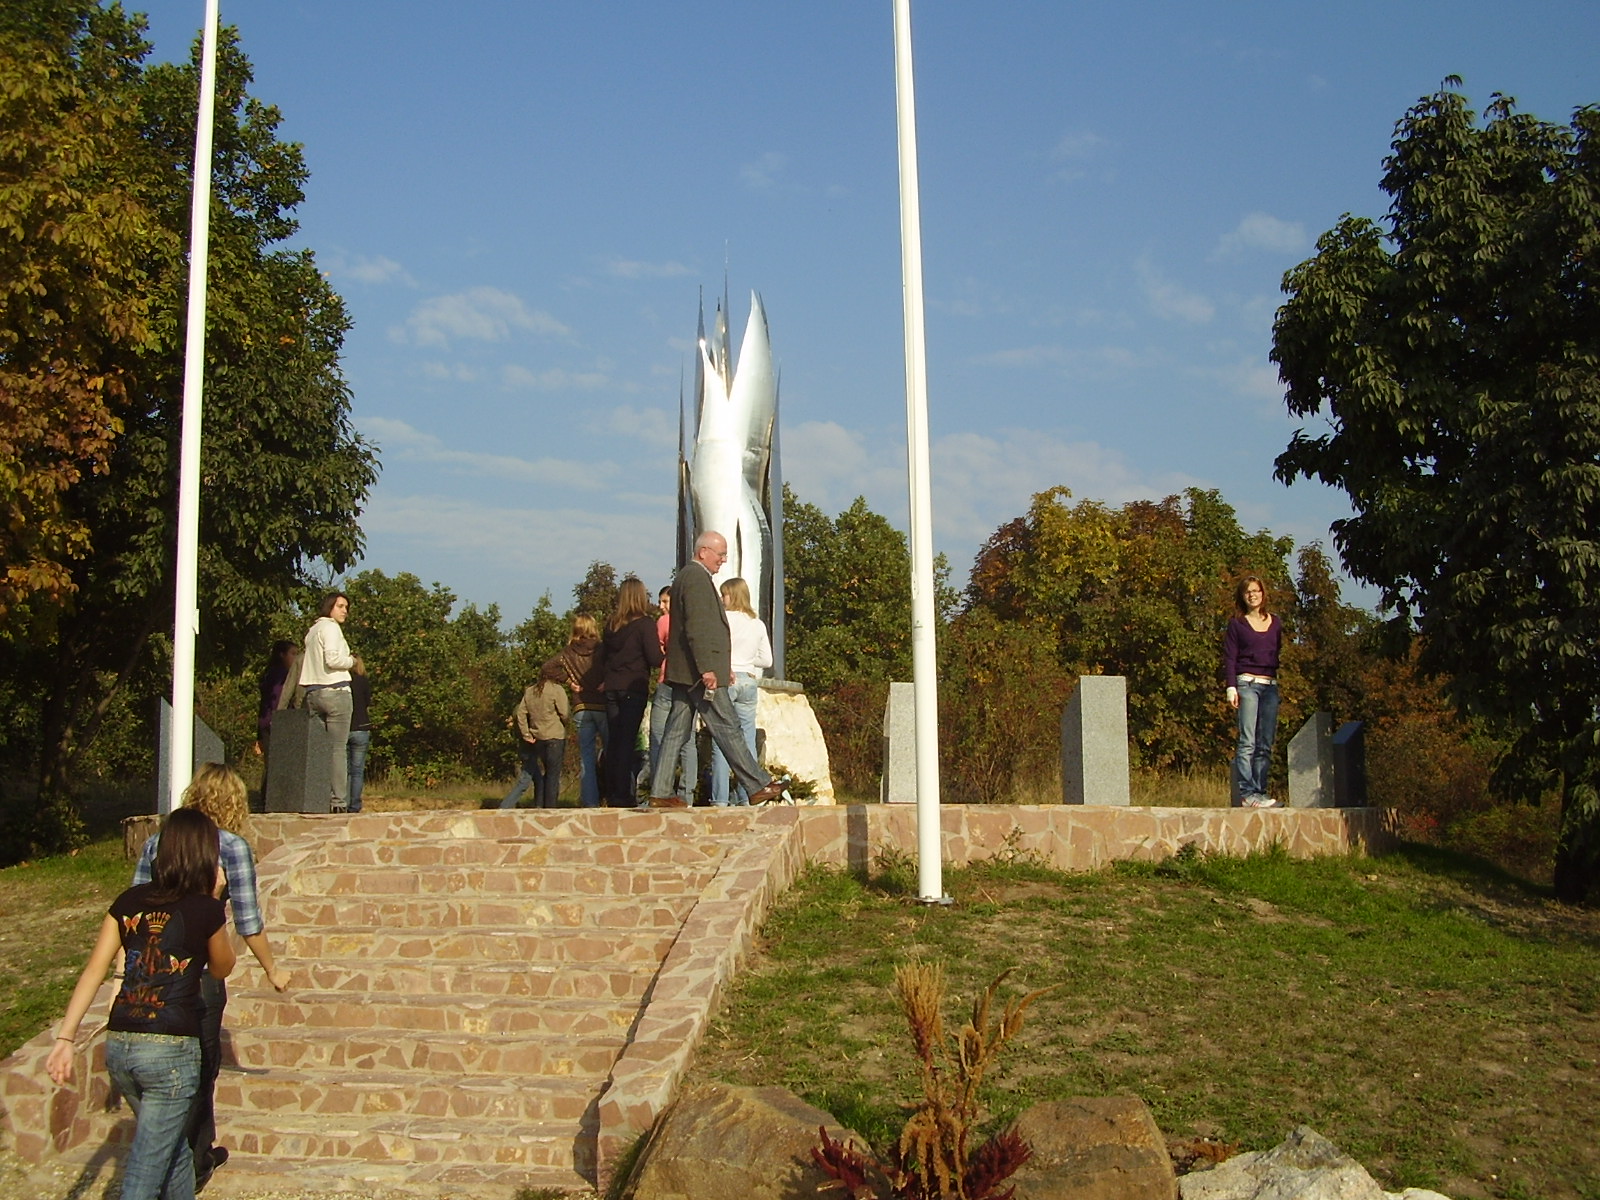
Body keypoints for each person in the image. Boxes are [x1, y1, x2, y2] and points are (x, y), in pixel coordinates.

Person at [48, 808, 236, 1200]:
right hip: (170, 1051)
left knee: (174, 1152)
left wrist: (66, 1038)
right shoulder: (205, 908)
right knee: (144, 1174)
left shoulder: (128, 901)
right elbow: (222, 968)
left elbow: (93, 971)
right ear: (206, 854)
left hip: (122, 1045)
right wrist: (215, 901)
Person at [132, 764, 292, 1190]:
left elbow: (135, 904)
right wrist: (273, 969)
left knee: (166, 1067)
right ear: (234, 803)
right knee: (201, 1068)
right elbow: (248, 920)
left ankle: (188, 1153)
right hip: (200, 971)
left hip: (154, 969)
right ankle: (193, 1159)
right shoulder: (232, 847)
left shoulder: (156, 843)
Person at [649, 531, 788, 808]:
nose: (723, 560)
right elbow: (698, 628)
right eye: (720, 554)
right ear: (703, 552)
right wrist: (709, 669)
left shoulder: (689, 577)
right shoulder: (696, 578)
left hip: (689, 673)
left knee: (676, 731)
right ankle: (757, 785)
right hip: (698, 675)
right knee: (727, 726)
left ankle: (660, 792)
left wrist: (720, 667)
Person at [708, 577, 773, 806]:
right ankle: (749, 795)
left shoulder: (722, 619)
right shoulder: (757, 623)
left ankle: (720, 798)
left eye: (724, 594)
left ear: (731, 595)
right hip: (748, 679)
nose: (721, 599)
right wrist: (747, 659)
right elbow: (767, 660)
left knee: (722, 740)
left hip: (726, 678)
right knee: (747, 740)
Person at [601, 577, 664, 807]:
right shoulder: (645, 624)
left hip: (611, 687)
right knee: (627, 742)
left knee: (614, 741)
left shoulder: (611, 625)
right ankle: (623, 794)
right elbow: (655, 658)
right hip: (633, 688)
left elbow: (603, 657)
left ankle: (611, 791)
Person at [1223, 575, 1284, 809]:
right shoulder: (1237, 624)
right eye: (1248, 591)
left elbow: (1276, 651)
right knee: (1247, 741)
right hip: (1246, 684)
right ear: (1242, 596)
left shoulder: (1275, 623)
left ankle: (1260, 791)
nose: (1252, 595)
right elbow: (1230, 657)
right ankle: (1247, 793)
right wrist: (1231, 687)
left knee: (1265, 743)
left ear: (1263, 593)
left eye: (1256, 590)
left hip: (1270, 686)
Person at [301, 591, 356, 811]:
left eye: (346, 607)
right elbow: (333, 659)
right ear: (329, 607)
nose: (345, 611)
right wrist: (351, 661)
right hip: (336, 691)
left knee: (317, 750)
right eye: (340, 606)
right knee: (337, 750)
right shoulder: (331, 628)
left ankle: (316, 798)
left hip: (313, 692)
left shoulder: (312, 630)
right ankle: (338, 802)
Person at [648, 586, 698, 803]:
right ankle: (687, 793)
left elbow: (656, 649)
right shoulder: (693, 620)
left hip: (668, 680)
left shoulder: (664, 621)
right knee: (688, 739)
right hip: (691, 682)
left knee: (660, 737)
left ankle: (659, 788)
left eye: (665, 602)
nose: (661, 606)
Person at [501, 659, 570, 809]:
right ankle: (550, 808)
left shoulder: (530, 691)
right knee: (553, 775)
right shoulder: (557, 690)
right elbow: (565, 713)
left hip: (537, 737)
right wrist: (563, 723)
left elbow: (520, 713)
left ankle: (540, 805)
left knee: (544, 775)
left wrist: (526, 734)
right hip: (555, 735)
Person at [559, 615, 607, 809]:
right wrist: (607, 681)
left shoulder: (568, 651)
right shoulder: (602, 649)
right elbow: (615, 665)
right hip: (602, 705)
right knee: (613, 752)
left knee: (586, 757)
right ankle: (617, 795)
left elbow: (547, 668)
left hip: (581, 706)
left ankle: (590, 802)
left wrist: (569, 682)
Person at [346, 657, 372, 814]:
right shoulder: (363, 681)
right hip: (362, 726)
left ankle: (342, 801)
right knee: (357, 770)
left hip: (345, 727)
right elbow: (368, 702)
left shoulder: (343, 683)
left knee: (343, 769)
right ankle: (354, 805)